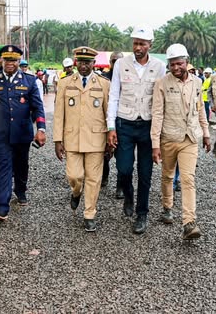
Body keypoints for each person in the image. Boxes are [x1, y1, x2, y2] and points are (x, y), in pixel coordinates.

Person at [0, 45, 46, 221]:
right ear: (1, 61)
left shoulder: (29, 80)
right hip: (0, 134)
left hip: (22, 134)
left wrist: (41, 129)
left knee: (21, 165)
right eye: (7, 60)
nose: (10, 63)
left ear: (19, 61)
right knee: (3, 167)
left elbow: (37, 107)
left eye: (13, 60)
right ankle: (1, 207)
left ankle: (20, 190)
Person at [107, 27, 166, 234]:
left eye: (142, 43)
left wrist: (160, 132)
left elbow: (161, 99)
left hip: (148, 126)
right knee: (124, 169)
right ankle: (128, 195)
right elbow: (114, 95)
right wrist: (111, 126)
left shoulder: (159, 66)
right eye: (135, 43)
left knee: (145, 173)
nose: (138, 47)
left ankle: (142, 214)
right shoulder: (121, 64)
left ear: (150, 44)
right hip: (125, 123)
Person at [151, 44, 211, 239]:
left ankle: (188, 222)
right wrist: (155, 144)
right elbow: (157, 114)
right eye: (172, 65)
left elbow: (200, 108)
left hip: (190, 139)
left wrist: (206, 132)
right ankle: (167, 208)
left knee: (188, 179)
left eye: (179, 64)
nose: (176, 68)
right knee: (168, 176)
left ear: (186, 61)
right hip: (169, 138)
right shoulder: (162, 83)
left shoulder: (197, 81)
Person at [54, 47, 110, 231]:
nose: (84, 66)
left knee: (94, 179)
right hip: (72, 138)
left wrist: (111, 136)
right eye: (81, 62)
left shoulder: (103, 84)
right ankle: (76, 192)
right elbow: (58, 114)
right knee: (74, 175)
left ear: (94, 64)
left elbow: (108, 113)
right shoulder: (65, 83)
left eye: (88, 62)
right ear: (75, 62)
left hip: (96, 139)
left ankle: (89, 214)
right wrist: (57, 140)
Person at [101, 51, 124, 197]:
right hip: (105, 121)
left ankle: (120, 186)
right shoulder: (103, 79)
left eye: (118, 61)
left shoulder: (127, 78)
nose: (115, 63)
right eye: (113, 61)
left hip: (123, 122)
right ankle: (104, 177)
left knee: (122, 156)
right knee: (104, 154)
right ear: (110, 62)